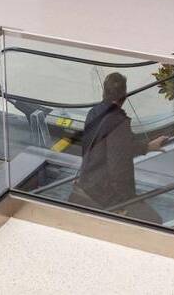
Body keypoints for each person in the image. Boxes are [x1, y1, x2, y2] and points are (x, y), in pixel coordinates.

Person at [71, 73, 167, 222]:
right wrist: (120, 204)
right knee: (155, 221)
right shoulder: (118, 123)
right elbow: (118, 166)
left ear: (104, 92)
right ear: (124, 95)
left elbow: (111, 145)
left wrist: (146, 147)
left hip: (87, 182)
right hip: (104, 194)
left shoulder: (94, 112)